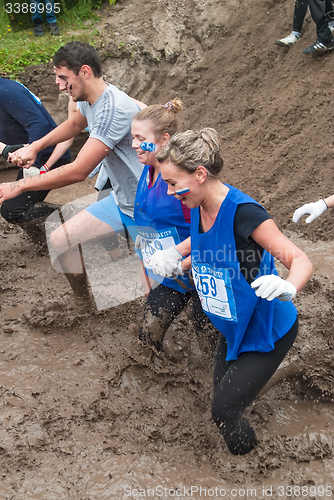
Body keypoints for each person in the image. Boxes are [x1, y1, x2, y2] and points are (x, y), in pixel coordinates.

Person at [149, 128, 313, 455]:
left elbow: (301, 259)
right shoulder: (196, 200)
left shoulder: (244, 213)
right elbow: (210, 245)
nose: (169, 192)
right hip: (233, 324)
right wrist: (177, 259)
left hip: (266, 329)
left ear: (199, 174)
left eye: (171, 183)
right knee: (223, 397)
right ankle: (287, 372)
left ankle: (252, 467)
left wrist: (288, 286)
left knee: (223, 411)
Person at [0, 41, 145, 304]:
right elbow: (75, 123)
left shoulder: (112, 108)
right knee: (59, 238)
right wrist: (36, 146)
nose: (58, 83)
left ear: (85, 72)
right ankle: (83, 305)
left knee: (163, 281)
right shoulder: (90, 100)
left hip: (149, 205)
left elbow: (79, 171)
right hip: (123, 198)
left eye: (63, 77)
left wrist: (19, 186)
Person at [131, 100, 218, 354]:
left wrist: (181, 259)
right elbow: (145, 229)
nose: (134, 144)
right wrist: (146, 274)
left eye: (140, 138)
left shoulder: (182, 182)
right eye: (132, 137)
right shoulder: (147, 173)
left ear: (164, 139)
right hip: (172, 276)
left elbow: (211, 229)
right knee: (146, 337)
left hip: (203, 270)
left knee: (210, 346)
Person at [0, 77, 71, 244]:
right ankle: (43, 244)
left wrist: (36, 164)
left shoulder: (6, 91)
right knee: (17, 205)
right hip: (26, 156)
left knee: (13, 210)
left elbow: (38, 124)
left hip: (49, 157)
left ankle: (73, 216)